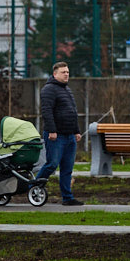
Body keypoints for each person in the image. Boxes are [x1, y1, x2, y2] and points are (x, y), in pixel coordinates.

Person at [36, 61, 84, 206]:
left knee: (67, 168)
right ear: (55, 74)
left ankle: (67, 197)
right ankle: (35, 188)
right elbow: (47, 112)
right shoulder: (48, 89)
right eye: (63, 72)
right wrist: (52, 130)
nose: (66, 74)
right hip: (56, 136)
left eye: (68, 72)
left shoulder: (67, 90)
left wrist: (76, 131)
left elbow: (72, 112)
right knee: (51, 164)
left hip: (69, 136)